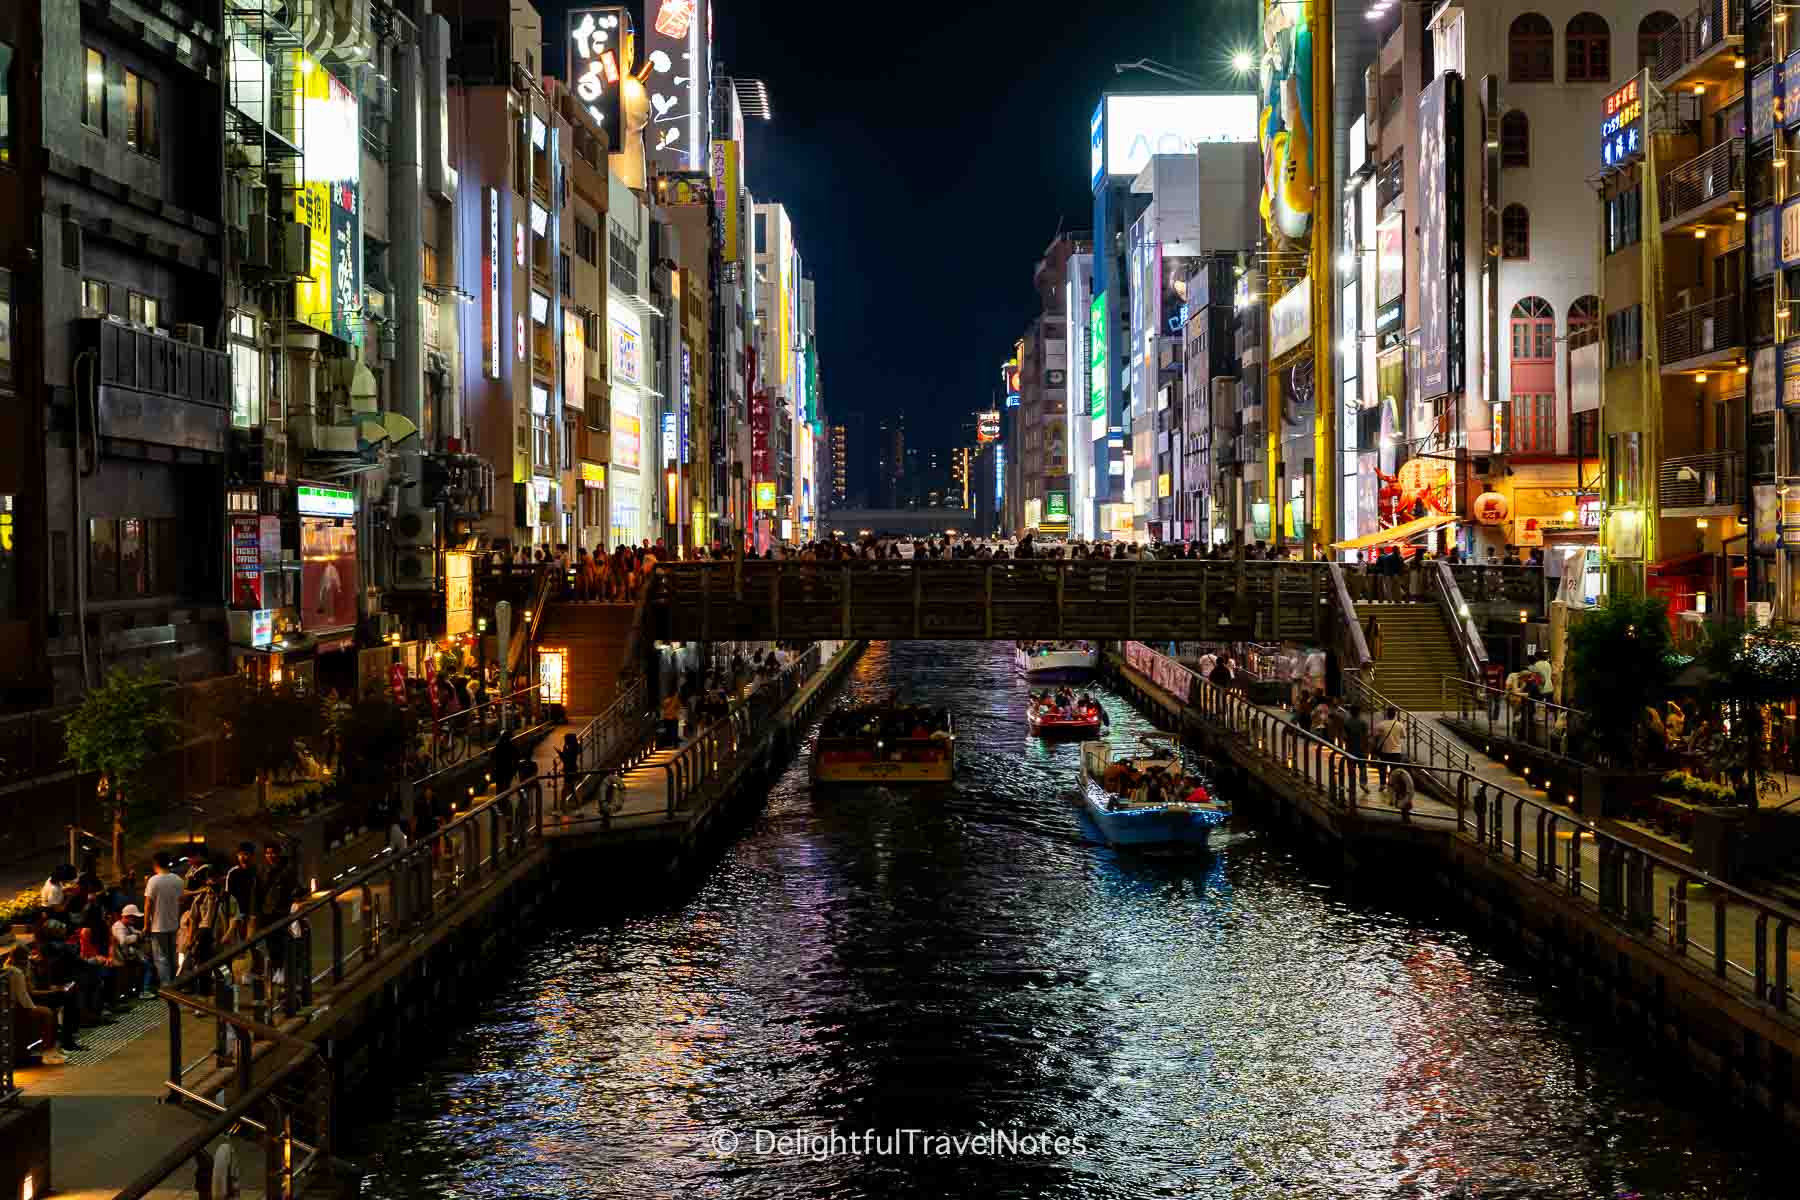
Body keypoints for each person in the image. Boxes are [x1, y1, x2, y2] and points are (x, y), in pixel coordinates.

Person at [5, 944, 67, 1065]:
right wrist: (34, 1009)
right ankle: (45, 1049)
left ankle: (43, 1046)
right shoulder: (17, 973)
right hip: (16, 1008)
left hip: (12, 1006)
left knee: (49, 1007)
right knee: (47, 1013)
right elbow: (24, 999)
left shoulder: (9, 967)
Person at [143, 852, 185, 988]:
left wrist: (146, 925)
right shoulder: (178, 880)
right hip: (174, 924)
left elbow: (148, 904)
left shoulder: (153, 881)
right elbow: (181, 901)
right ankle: (175, 983)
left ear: (155, 864)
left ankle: (167, 987)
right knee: (173, 957)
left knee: (161, 959)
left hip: (157, 926)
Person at [1374, 706, 1406, 783]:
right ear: (1395, 715)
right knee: (1394, 769)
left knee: (1382, 768)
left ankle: (1382, 784)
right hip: (1396, 751)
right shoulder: (1400, 725)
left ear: (1387, 714)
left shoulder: (1381, 725)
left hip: (1384, 750)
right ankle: (1392, 784)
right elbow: (1403, 736)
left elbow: (1375, 736)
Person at [1342, 703, 1370, 786]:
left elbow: (1344, 737)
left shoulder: (1347, 722)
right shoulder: (1363, 722)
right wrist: (1367, 749)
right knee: (1363, 767)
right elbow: (1366, 737)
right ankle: (1363, 783)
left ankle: (1352, 783)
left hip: (1350, 748)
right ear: (1359, 712)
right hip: (1362, 748)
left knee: (1351, 768)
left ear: (1350, 712)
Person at [492, 726, 520, 791]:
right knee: (507, 784)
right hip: (508, 768)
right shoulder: (511, 745)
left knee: (499, 785)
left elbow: (493, 756)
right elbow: (516, 756)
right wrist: (515, 768)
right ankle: (505, 796)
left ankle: (499, 797)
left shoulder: (498, 745)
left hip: (499, 768)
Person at [558, 732, 583, 805]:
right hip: (571, 769)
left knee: (565, 788)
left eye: (565, 739)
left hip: (570, 770)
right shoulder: (572, 747)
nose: (564, 741)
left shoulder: (571, 748)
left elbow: (567, 758)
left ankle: (562, 805)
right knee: (571, 788)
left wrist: (560, 753)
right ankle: (577, 804)